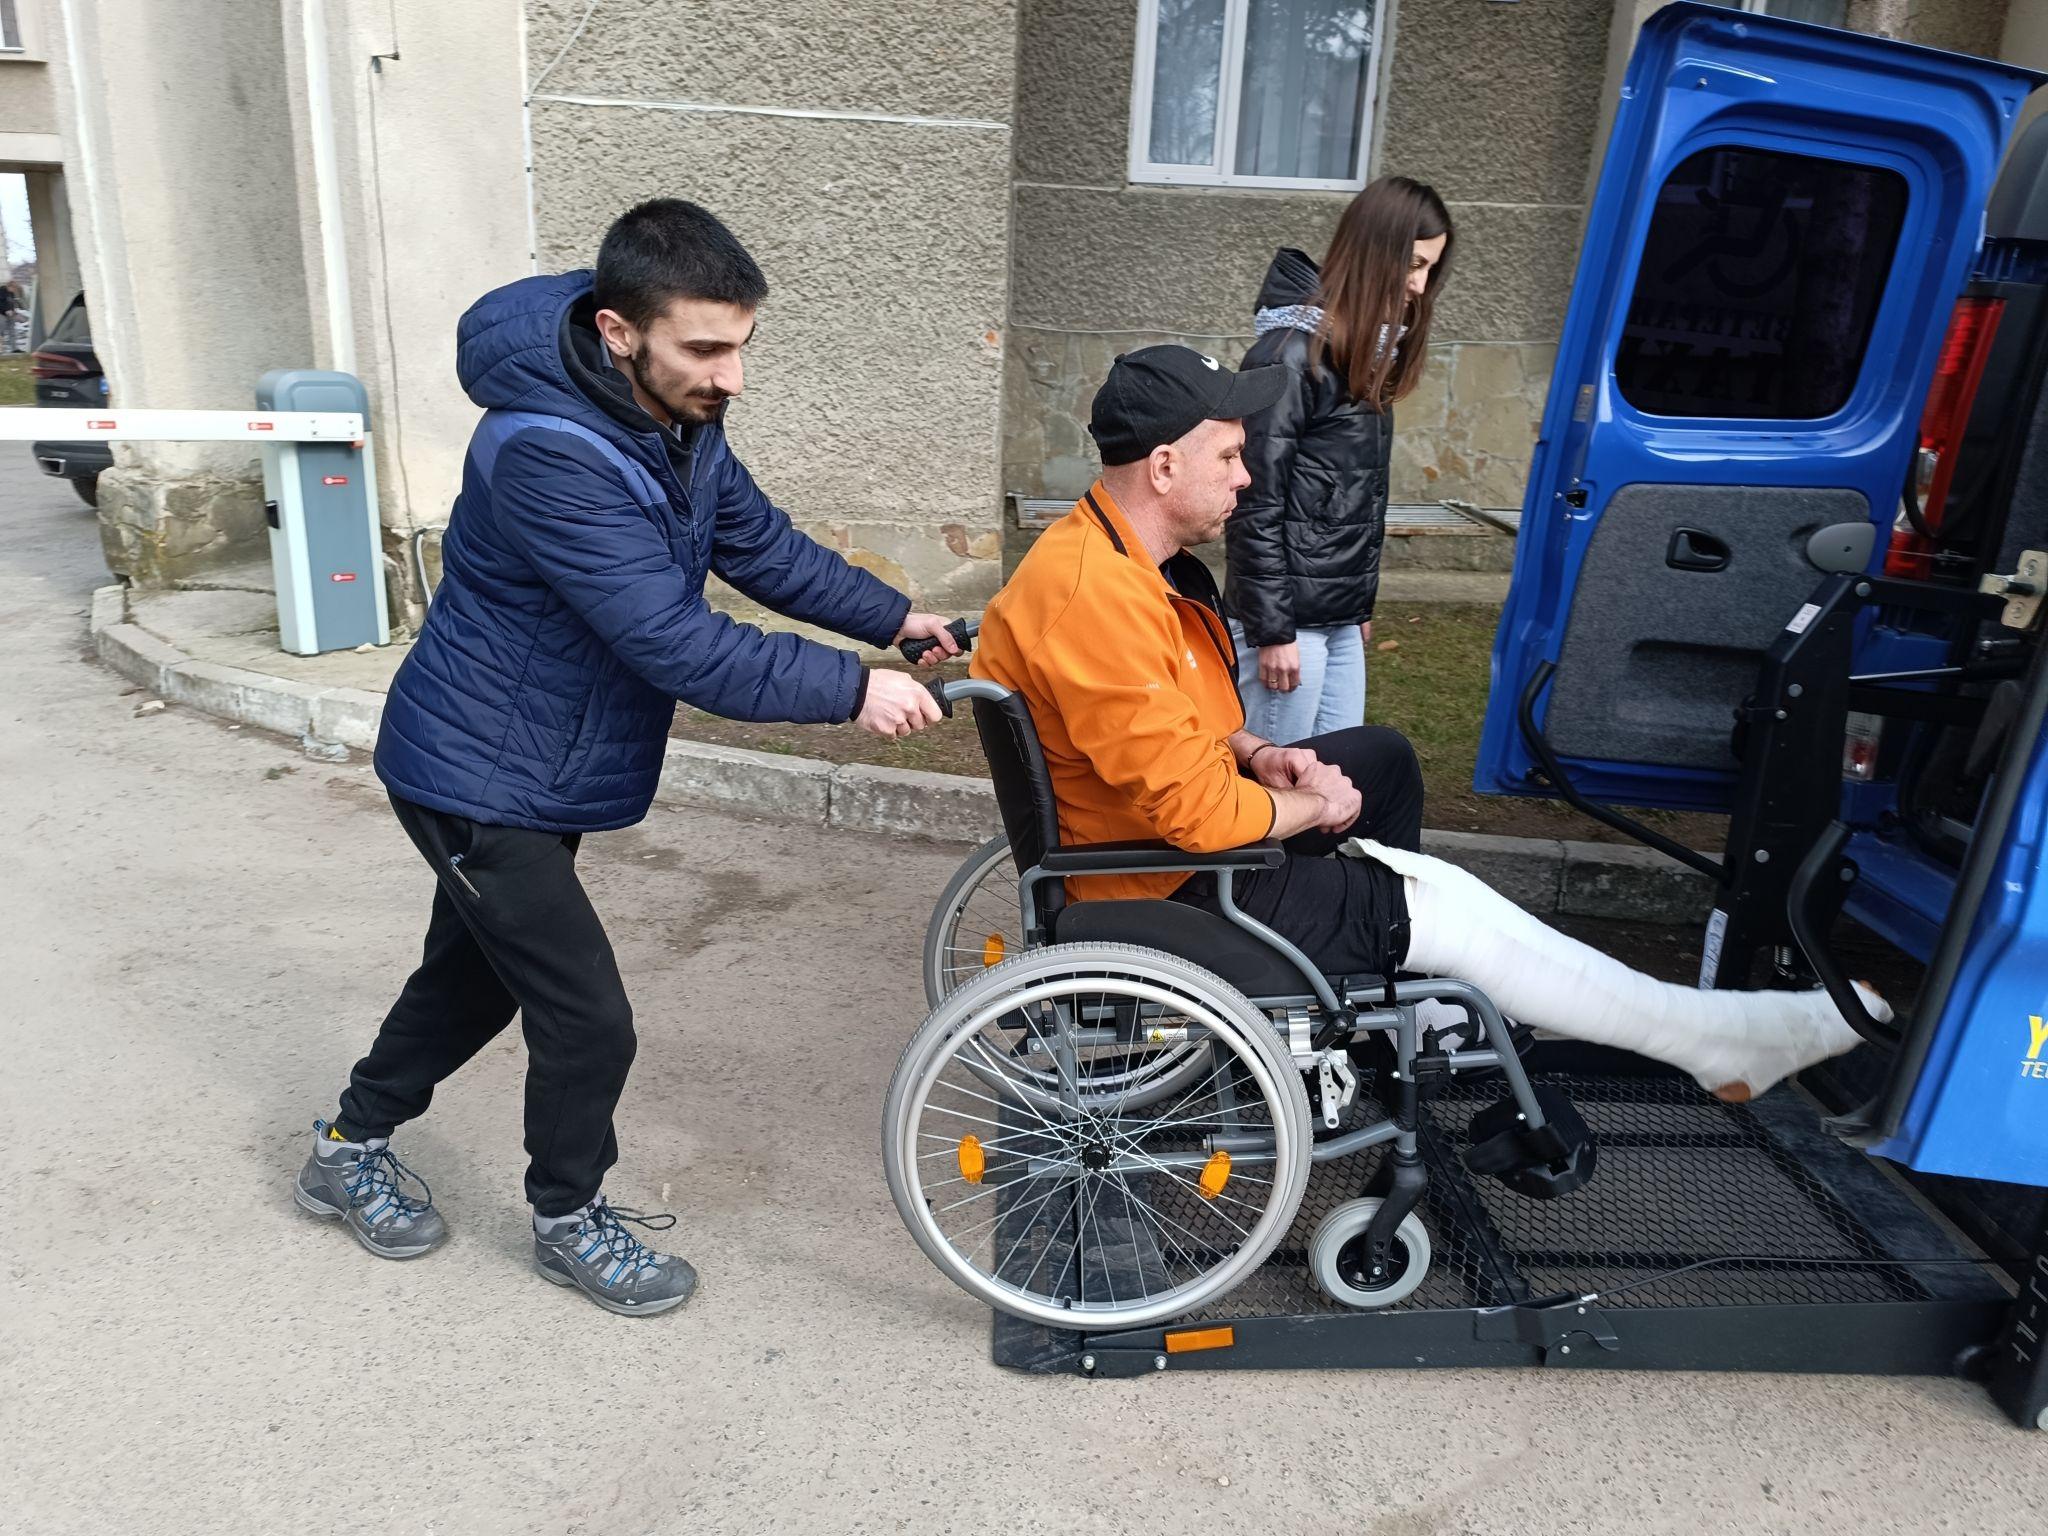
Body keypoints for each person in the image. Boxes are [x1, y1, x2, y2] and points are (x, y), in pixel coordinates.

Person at [295, 199, 958, 1316]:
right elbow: (669, 637)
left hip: (527, 765)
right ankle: (567, 1217)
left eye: (741, 345)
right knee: (585, 1014)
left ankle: (346, 1144)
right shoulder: (547, 450)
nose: (731, 375)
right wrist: (851, 687)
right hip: (475, 775)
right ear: (616, 331)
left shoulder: (673, 416)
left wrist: (892, 620)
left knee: (468, 982)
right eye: (706, 347)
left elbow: (754, 541)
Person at [971, 345, 1884, 1103]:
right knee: (1426, 901)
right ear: (1163, 465)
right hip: (1158, 886)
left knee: (1385, 762)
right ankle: (1704, 1040)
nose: (1248, 478)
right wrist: (1306, 806)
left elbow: (1177, 723)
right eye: (1229, 457)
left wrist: (1264, 752)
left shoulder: (1122, 562)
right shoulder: (1096, 597)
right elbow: (1197, 816)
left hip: (1158, 844)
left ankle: (1399, 978)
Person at [1227, 176, 1453, 738]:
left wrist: (1356, 605)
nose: (1421, 287)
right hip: (1287, 627)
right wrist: (1273, 630)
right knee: (1275, 797)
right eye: (1414, 266)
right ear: (1378, 251)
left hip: (1338, 618)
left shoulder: (1366, 353)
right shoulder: (1289, 354)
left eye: (1431, 269)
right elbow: (1253, 502)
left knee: (1334, 789)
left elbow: (1353, 496)